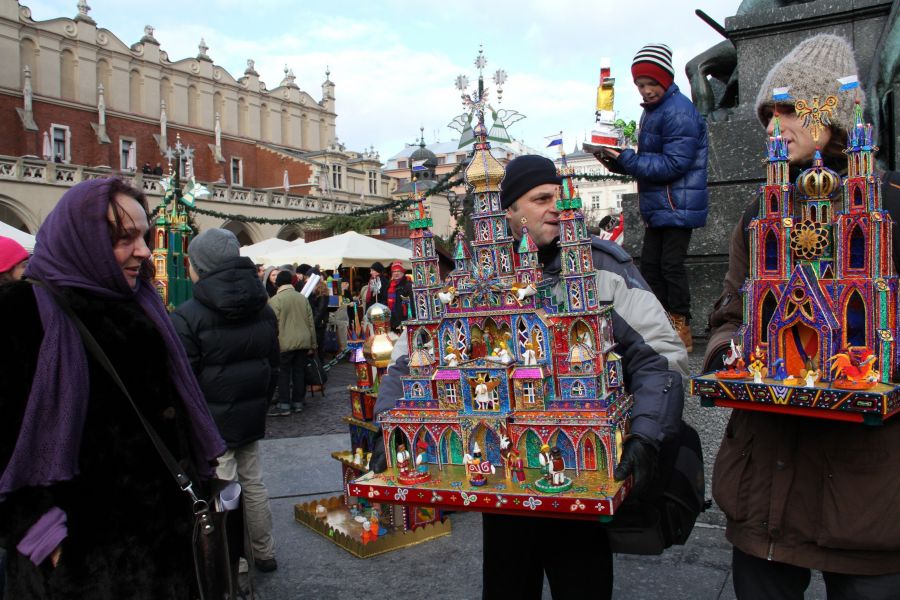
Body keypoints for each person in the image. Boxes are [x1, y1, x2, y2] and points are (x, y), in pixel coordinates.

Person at [373, 154, 687, 599]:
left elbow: (661, 358)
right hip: (502, 482)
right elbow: (412, 358)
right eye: (541, 199)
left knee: (582, 581)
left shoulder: (601, 267)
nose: (555, 207)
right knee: (507, 582)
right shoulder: (467, 278)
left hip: (579, 479)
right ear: (508, 212)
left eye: (559, 196)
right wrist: (388, 426)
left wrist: (645, 435)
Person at [704, 34, 900, 600]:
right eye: (769, 113)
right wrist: (728, 356)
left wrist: (875, 368)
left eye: (789, 109)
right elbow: (732, 308)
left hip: (864, 495)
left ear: (830, 116)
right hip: (766, 487)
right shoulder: (761, 211)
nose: (774, 125)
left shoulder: (890, 204)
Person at [0, 178, 225, 598]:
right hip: (85, 565)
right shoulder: (20, 313)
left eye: (144, 236)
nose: (143, 251)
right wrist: (41, 535)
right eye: (125, 239)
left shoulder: (142, 302)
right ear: (81, 239)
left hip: (168, 546)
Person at [172, 228, 281, 574]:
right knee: (253, 482)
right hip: (250, 413)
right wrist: (260, 403)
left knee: (224, 489)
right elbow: (273, 365)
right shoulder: (263, 308)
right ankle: (264, 551)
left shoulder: (187, 315)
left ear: (200, 266)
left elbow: (185, 380)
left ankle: (236, 561)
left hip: (211, 421)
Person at [597, 43, 709, 352]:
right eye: (640, 85)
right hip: (662, 205)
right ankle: (661, 325)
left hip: (677, 204)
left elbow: (674, 164)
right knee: (650, 267)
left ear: (666, 79)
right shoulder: (655, 111)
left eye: (651, 83)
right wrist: (614, 159)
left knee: (670, 266)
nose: (646, 90)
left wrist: (628, 159)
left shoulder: (678, 111)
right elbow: (649, 162)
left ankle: (681, 326)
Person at [268, 269, 316, 416]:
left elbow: (272, 325)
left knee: (283, 373)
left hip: (284, 342)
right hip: (303, 341)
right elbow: (310, 322)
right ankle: (298, 402)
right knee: (299, 372)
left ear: (278, 284)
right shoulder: (302, 298)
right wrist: (313, 344)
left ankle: (284, 405)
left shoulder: (275, 300)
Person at [386, 260, 412, 332]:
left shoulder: (408, 285)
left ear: (403, 272)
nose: (396, 273)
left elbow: (411, 303)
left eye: (398, 271)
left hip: (404, 317)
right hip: (392, 317)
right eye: (394, 271)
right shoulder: (389, 285)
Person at [310, 279, 331, 360]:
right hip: (320, 322)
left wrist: (313, 323)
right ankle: (320, 362)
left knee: (319, 344)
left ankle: (319, 363)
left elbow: (320, 311)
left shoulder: (321, 296)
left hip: (319, 323)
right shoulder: (321, 295)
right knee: (320, 344)